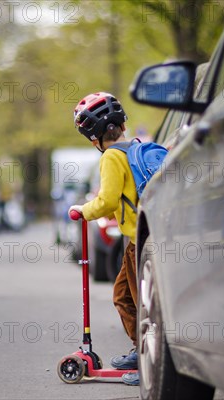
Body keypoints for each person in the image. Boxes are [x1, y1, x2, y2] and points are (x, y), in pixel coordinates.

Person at [68, 92, 140, 386]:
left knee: (139, 300)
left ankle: (149, 359)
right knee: (124, 295)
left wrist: (82, 210)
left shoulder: (112, 156)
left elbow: (107, 201)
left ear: (94, 136)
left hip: (139, 242)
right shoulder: (137, 147)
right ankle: (141, 350)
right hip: (143, 239)